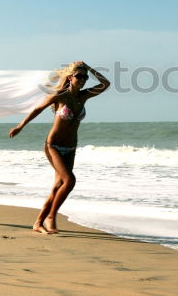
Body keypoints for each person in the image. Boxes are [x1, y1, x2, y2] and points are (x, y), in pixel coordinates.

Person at [8, 61, 110, 233]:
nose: (83, 79)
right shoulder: (60, 96)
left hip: (71, 148)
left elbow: (105, 84)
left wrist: (89, 68)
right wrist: (20, 126)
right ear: (70, 77)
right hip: (53, 145)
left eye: (85, 77)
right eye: (79, 76)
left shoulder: (84, 96)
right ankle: (51, 217)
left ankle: (38, 223)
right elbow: (37, 109)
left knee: (58, 186)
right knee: (70, 181)